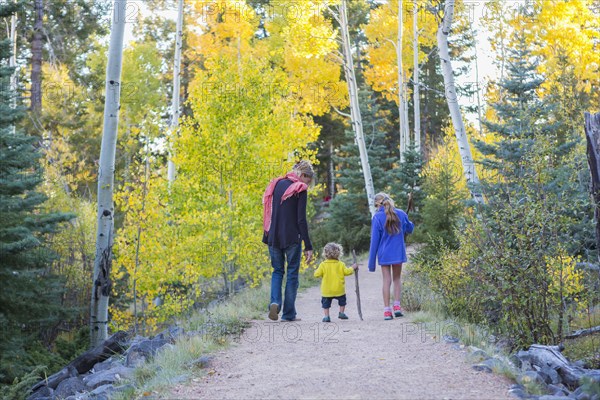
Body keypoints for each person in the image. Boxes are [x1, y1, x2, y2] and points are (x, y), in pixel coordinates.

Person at [262, 160, 314, 321]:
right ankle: (289, 314)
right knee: (292, 274)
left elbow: (268, 211)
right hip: (292, 238)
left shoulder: (276, 184)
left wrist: (267, 235)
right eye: (309, 179)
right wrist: (308, 245)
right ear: (304, 175)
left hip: (273, 236)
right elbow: (301, 220)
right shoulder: (300, 189)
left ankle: (275, 302)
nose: (308, 183)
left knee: (277, 271)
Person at [368, 192, 414, 320]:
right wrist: (409, 222)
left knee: (386, 280)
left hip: (384, 254)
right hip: (397, 252)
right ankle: (397, 306)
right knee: (397, 279)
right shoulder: (401, 214)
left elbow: (374, 242)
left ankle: (387, 311)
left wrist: (371, 263)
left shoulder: (377, 218)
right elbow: (410, 229)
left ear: (377, 204)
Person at [314, 243, 358, 322]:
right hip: (339, 289)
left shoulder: (323, 265)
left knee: (326, 304)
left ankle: (327, 316)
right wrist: (352, 268)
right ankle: (341, 313)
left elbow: (317, 274)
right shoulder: (341, 264)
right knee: (342, 301)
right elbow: (347, 272)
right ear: (338, 253)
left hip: (327, 290)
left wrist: (316, 271)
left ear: (325, 254)